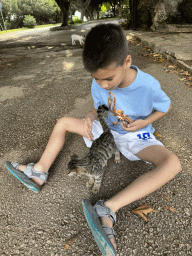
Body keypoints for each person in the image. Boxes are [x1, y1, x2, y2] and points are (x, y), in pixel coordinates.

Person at [5, 24, 181, 255]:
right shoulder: (100, 81)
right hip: (106, 130)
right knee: (63, 122)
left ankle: (107, 209)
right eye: (96, 79)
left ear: (127, 61)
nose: (103, 85)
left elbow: (164, 107)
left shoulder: (148, 85)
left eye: (108, 78)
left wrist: (143, 122)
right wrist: (89, 116)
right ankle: (39, 171)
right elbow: (99, 105)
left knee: (173, 164)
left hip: (136, 135)